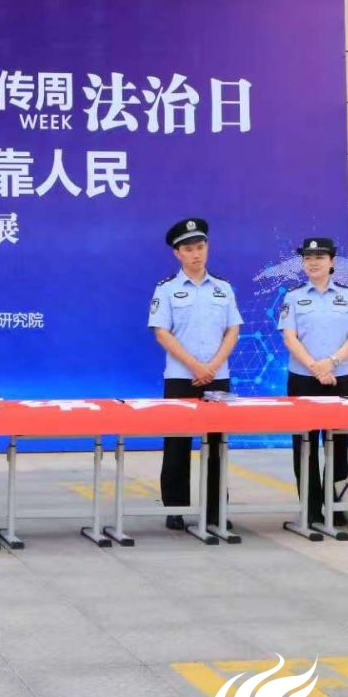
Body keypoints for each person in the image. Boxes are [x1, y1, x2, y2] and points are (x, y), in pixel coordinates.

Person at [151, 217, 241, 533]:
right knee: (177, 444)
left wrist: (212, 365)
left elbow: (233, 330)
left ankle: (216, 510)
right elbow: (162, 332)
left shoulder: (222, 288)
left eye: (200, 247)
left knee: (217, 445)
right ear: (177, 253)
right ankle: (175, 508)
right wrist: (195, 365)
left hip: (218, 376)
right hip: (181, 377)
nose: (196, 254)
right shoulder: (167, 289)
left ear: (207, 248)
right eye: (188, 249)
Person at [279, 237, 348, 526]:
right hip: (303, 379)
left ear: (332, 262)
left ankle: (335, 505)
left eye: (319, 257)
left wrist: (332, 363)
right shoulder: (293, 297)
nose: (313, 262)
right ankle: (311, 508)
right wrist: (315, 367)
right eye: (308, 257)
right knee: (305, 444)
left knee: (338, 444)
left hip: (341, 379)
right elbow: (289, 337)